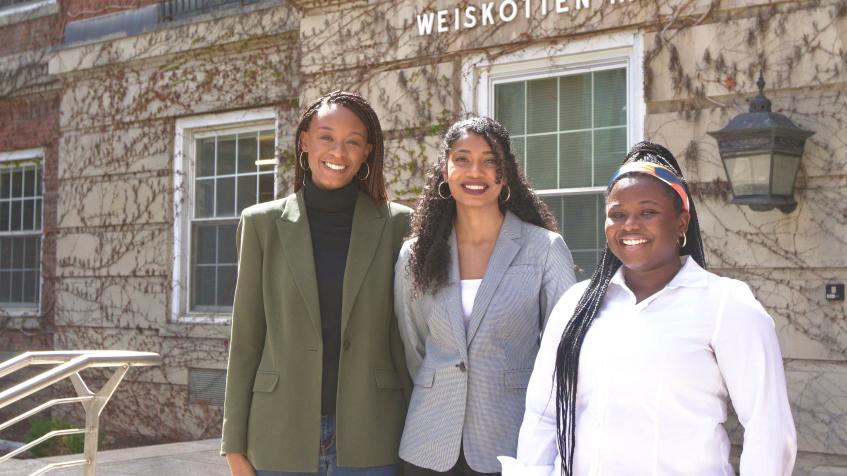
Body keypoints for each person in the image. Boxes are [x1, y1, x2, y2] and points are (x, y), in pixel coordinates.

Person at [500, 141, 797, 476]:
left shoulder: (725, 304)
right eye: (617, 214)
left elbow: (768, 426)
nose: (630, 225)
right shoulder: (576, 307)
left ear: (681, 222)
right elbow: (544, 413)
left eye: (648, 212)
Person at [221, 91, 412, 476]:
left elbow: (409, 338)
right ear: (305, 141)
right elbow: (246, 339)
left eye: (352, 141)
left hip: (375, 433)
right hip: (278, 434)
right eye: (326, 137)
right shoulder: (261, 225)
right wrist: (234, 444)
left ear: (366, 152)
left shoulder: (399, 226)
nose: (338, 151)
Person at [394, 117, 577, 476]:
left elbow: (564, 351)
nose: (474, 171)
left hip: (509, 440)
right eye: (462, 159)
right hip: (428, 442)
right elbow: (414, 346)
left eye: (489, 160)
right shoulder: (416, 254)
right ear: (445, 171)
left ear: (505, 175)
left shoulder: (543, 249)